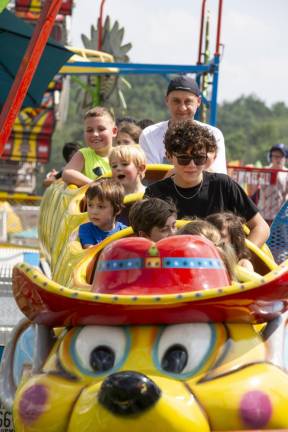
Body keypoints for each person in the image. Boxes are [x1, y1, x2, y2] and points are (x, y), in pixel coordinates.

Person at [144, 120, 270, 248]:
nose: (192, 165)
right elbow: (143, 236)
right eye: (184, 159)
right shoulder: (155, 193)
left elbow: (261, 227)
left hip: (220, 263)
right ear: (169, 156)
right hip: (172, 261)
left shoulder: (223, 185)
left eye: (199, 158)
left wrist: (242, 258)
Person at [139, 74, 227, 173]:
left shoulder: (214, 135)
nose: (182, 108)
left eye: (188, 102)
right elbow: (149, 177)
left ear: (198, 102)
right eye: (176, 101)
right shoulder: (149, 135)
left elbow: (218, 176)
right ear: (167, 100)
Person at [62, 107, 117, 187]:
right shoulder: (84, 154)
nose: (95, 134)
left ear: (114, 131)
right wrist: (93, 184)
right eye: (90, 130)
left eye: (101, 129)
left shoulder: (122, 154)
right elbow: (67, 173)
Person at [79, 178, 127, 248]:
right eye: (90, 205)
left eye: (101, 207)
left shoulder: (124, 232)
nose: (94, 212)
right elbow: (91, 251)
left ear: (117, 210)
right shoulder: (85, 229)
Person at [257, 143, 288, 225]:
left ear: (286, 158)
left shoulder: (286, 173)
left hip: (280, 216)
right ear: (270, 157)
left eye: (280, 156)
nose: (277, 159)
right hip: (263, 215)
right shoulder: (264, 171)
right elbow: (254, 189)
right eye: (274, 156)